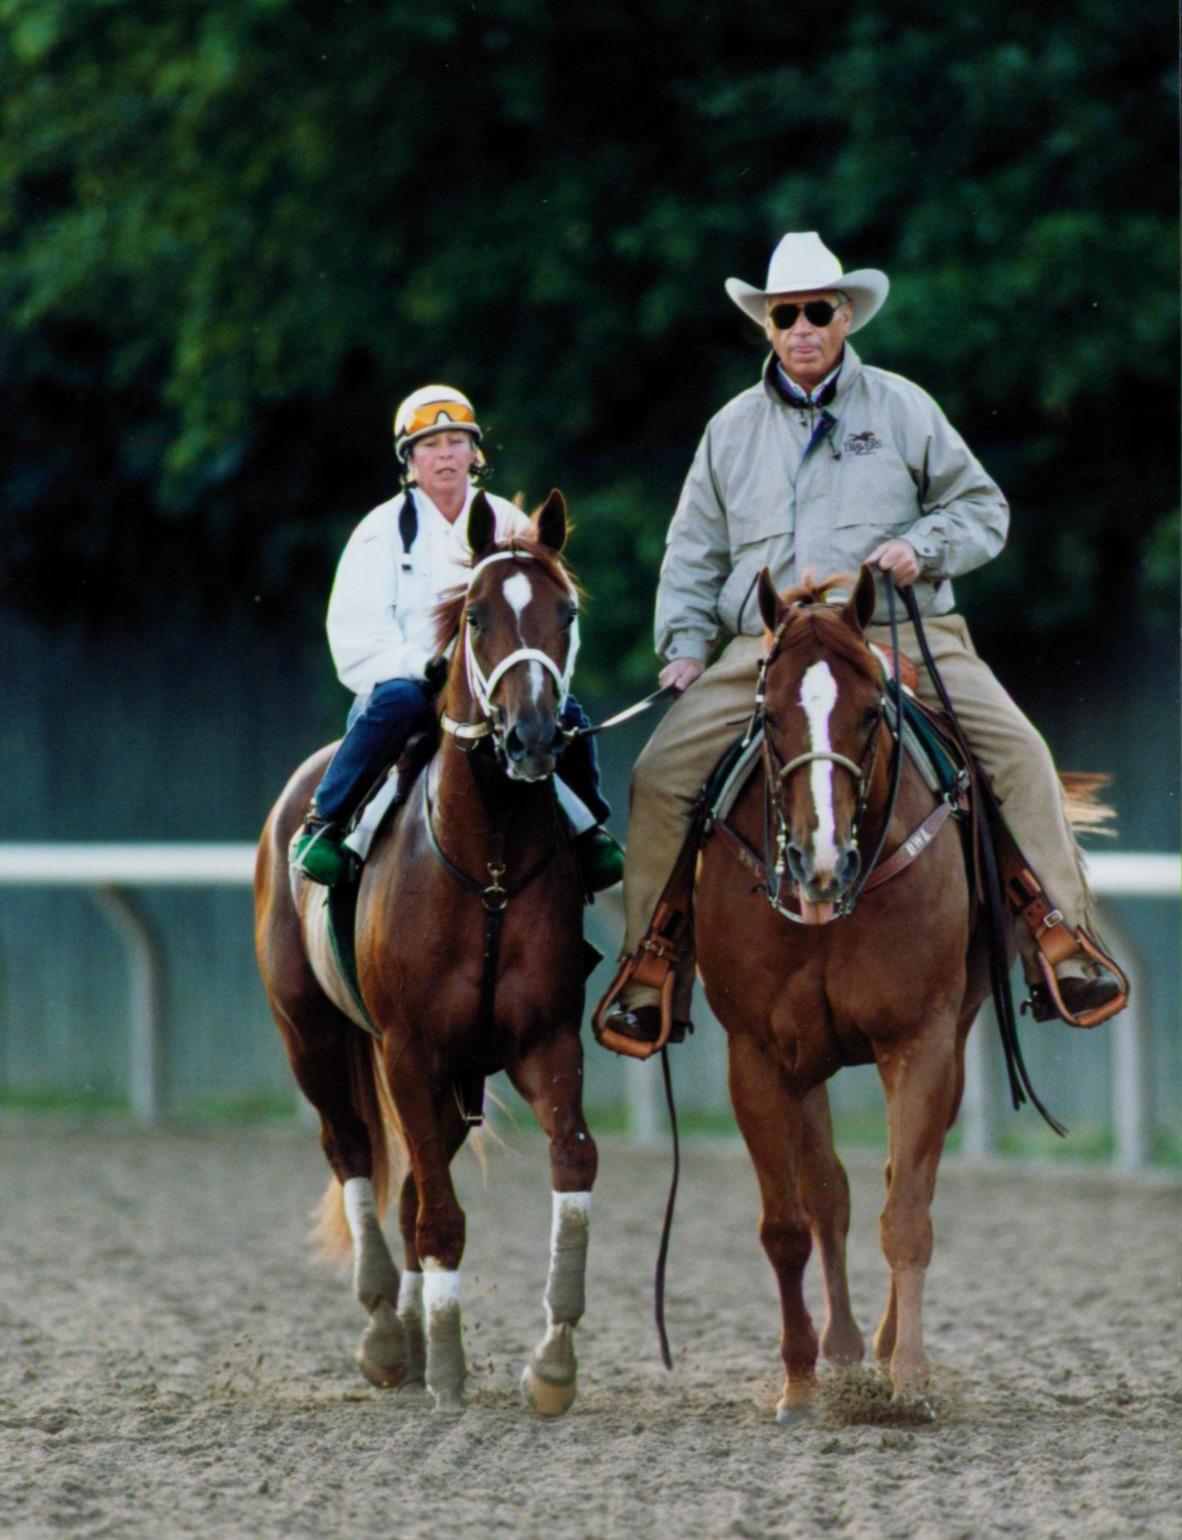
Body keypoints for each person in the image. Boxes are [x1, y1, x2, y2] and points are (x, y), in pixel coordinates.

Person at [598, 231, 1123, 1045]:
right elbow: (691, 551)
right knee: (659, 776)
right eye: (784, 315)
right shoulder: (728, 430)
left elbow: (983, 509)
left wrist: (924, 547)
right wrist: (683, 646)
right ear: (766, 326)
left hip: (900, 627)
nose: (800, 327)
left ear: (846, 318)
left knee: (1019, 752)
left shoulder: (904, 406)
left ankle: (1060, 939)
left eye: (816, 311)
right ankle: (652, 961)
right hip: (768, 645)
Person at [291, 384, 622, 891]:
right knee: (397, 702)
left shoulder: (512, 524)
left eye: (456, 442)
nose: (445, 455)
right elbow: (355, 641)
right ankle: (324, 825)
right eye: (430, 444)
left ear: (475, 453)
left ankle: (588, 830)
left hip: (495, 689)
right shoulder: (377, 533)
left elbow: (555, 620)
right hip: (410, 688)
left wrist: (541, 678)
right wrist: (425, 666)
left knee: (565, 715)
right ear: (409, 460)